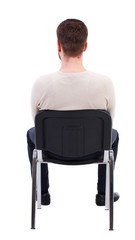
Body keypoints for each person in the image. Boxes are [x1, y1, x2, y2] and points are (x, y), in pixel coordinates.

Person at [27, 19, 119, 206]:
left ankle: (41, 193)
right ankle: (103, 194)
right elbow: (110, 122)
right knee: (113, 136)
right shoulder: (105, 83)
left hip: (51, 150)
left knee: (31, 135)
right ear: (85, 46)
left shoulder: (41, 84)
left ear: (59, 45)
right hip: (94, 150)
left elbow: (36, 121)